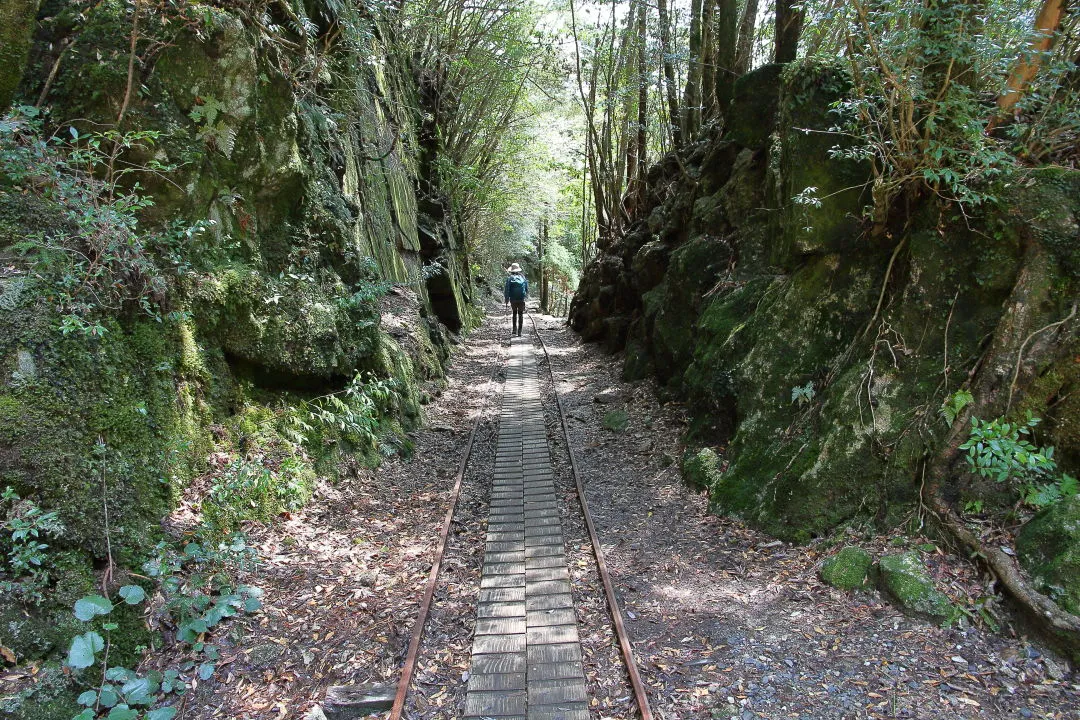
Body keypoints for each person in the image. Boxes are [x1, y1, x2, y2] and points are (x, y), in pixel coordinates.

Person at [504, 262, 528, 337]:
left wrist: (507, 299)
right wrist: (525, 296)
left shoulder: (509, 278)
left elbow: (507, 289)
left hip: (513, 299)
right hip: (521, 299)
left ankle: (514, 329)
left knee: (514, 313)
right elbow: (526, 288)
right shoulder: (523, 278)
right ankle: (520, 331)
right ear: (518, 270)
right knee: (520, 314)